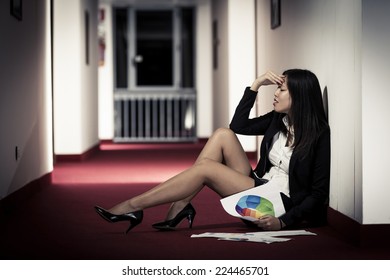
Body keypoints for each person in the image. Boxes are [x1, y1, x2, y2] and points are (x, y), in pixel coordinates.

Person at [95, 69, 330, 233]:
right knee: (222, 135)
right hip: (260, 185)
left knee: (206, 169)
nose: (276, 93)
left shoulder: (318, 134)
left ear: (299, 96)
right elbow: (238, 126)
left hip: (275, 204)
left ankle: (133, 207)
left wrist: (283, 223)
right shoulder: (278, 120)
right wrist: (255, 85)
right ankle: (180, 205)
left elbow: (318, 195)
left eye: (282, 89)